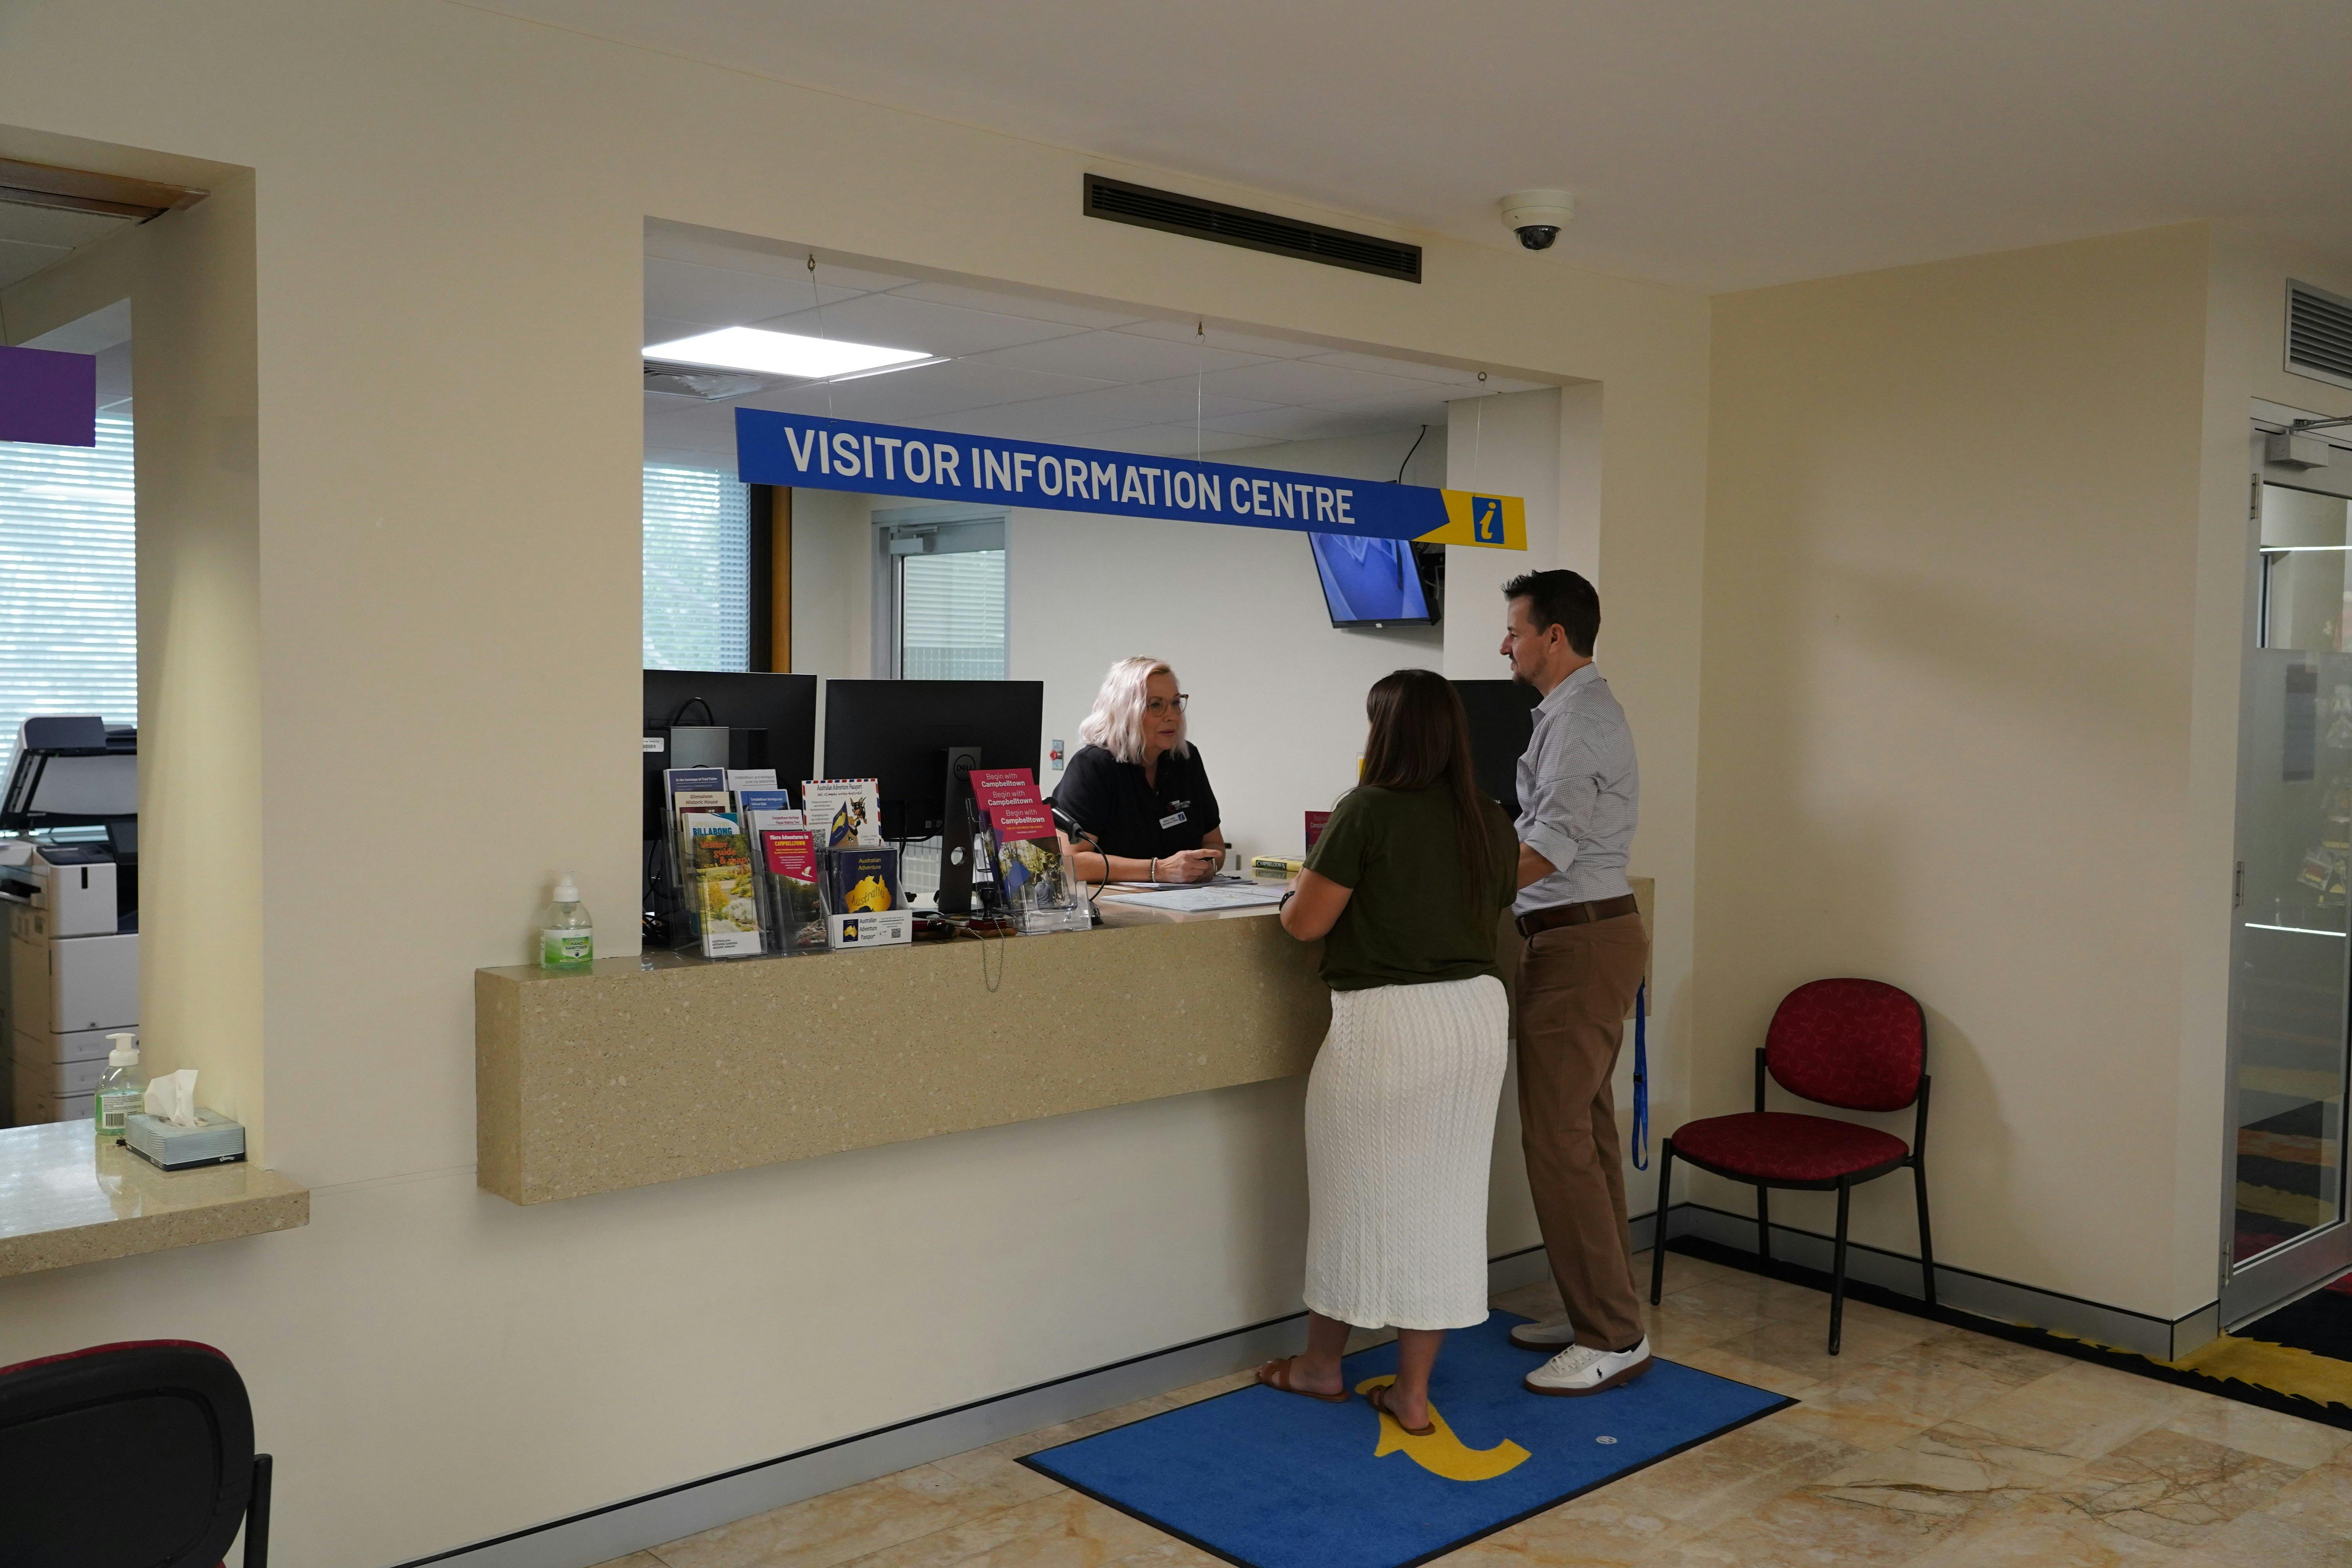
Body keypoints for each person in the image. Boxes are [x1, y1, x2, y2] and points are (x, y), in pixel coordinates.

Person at [1254, 669, 1517, 1436]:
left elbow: (1305, 922)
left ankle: (1319, 1367)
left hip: (1389, 1023)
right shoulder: (1490, 816)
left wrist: (1292, 897)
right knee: (1443, 1204)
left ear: (1386, 732)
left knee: (1351, 1197)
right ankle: (1411, 1393)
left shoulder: (1365, 809)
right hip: (1474, 1020)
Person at [1497, 569, 1653, 1397]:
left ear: (1553, 635)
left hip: (1580, 943)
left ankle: (1612, 1334)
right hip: (1581, 936)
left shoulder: (1580, 721)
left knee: (1557, 1143)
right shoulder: (1570, 714)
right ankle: (1597, 1303)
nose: (1505, 644)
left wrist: (1456, 878)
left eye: (1515, 630)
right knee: (1585, 1140)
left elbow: (1545, 852)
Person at [1052, 657, 1225, 884]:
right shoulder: (1093, 765)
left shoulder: (1185, 758)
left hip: (1185, 902)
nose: (1171, 715)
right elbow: (1072, 863)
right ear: (1125, 710)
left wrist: (1206, 866)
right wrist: (1159, 870)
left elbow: (1214, 845)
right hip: (1113, 906)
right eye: (1155, 705)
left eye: (1175, 702)